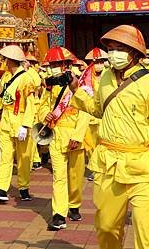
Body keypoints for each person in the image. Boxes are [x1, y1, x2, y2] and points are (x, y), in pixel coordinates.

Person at [72, 24, 149, 249]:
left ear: (135, 53)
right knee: (107, 227)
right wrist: (76, 90)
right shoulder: (106, 78)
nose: (114, 54)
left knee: (147, 234)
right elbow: (99, 109)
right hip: (108, 163)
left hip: (141, 166)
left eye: (120, 48)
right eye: (110, 48)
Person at [40, 47, 91, 230]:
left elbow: (86, 112)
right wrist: (44, 115)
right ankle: (59, 214)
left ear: (66, 65)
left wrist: (77, 135)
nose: (53, 68)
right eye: (51, 64)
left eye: (56, 64)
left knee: (76, 176)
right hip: (56, 135)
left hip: (74, 136)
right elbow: (42, 106)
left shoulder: (81, 85)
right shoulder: (50, 86)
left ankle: (74, 204)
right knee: (58, 177)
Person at [0, 45, 37, 203]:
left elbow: (31, 103)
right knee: (5, 156)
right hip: (7, 122)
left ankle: (23, 187)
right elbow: (2, 99)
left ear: (11, 61)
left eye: (5, 59)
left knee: (24, 158)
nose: (3, 62)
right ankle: (1, 188)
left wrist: (26, 125)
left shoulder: (26, 79)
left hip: (21, 121)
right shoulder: (6, 77)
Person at [83, 47, 108, 181]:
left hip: (104, 115)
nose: (99, 64)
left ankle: (103, 167)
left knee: (103, 143)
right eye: (96, 62)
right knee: (90, 144)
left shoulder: (109, 75)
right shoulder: (85, 77)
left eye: (101, 61)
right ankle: (94, 167)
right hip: (89, 114)